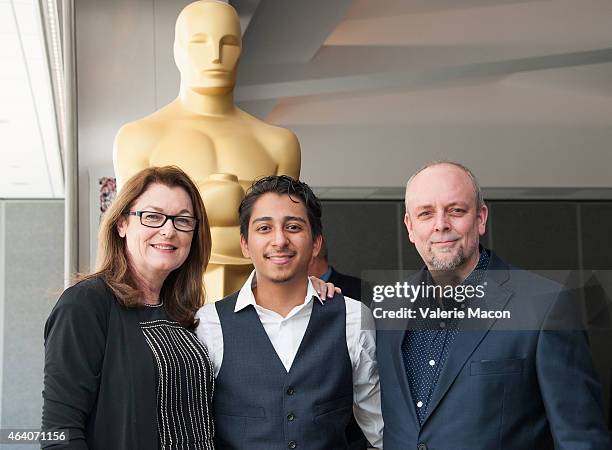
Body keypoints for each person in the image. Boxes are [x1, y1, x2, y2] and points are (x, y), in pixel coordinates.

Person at [376, 161, 612, 449]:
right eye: (426, 214)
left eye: (456, 210)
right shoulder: (387, 307)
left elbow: (580, 440)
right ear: (410, 227)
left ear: (480, 218)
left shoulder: (547, 306)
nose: (441, 224)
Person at [114, 0, 301, 298]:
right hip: (166, 302)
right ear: (178, 50)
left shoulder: (277, 142)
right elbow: (128, 237)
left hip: (255, 307)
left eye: (228, 44)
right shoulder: (138, 137)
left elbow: (290, 237)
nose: (215, 57)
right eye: (200, 43)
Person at [196, 175, 384, 449]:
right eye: (264, 228)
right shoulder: (207, 324)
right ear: (245, 244)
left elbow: (380, 427)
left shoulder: (353, 318)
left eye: (293, 227)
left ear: (316, 243)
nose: (279, 240)